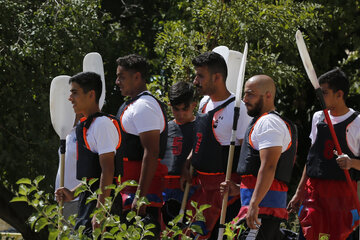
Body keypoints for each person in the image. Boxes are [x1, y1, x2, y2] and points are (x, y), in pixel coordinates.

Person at [181, 51, 252, 239]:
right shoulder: (204, 103)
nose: (196, 81)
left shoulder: (238, 109)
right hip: (201, 188)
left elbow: (249, 153)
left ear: (217, 77)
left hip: (225, 192)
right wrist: (189, 161)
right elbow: (200, 138)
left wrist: (241, 186)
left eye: (200, 76)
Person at [221, 75, 297, 240]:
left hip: (263, 211)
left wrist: (254, 204)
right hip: (260, 210)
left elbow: (269, 166)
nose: (244, 99)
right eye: (245, 94)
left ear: (268, 95)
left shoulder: (269, 122)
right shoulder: (262, 121)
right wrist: (240, 188)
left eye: (250, 94)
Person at [287, 68, 360, 240]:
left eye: (324, 93)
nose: (320, 98)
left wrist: (352, 163)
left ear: (339, 94)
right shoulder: (318, 117)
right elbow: (312, 158)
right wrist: (299, 191)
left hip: (341, 197)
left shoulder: (357, 122)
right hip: (314, 194)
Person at [55, 72, 123, 236]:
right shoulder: (86, 126)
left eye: (75, 92)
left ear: (91, 94)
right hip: (87, 203)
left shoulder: (102, 124)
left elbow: (108, 171)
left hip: (103, 205)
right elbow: (93, 177)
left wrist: (100, 212)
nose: (70, 98)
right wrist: (73, 193)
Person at [115, 54, 168, 238]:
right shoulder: (132, 104)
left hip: (142, 195)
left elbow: (152, 152)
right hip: (127, 190)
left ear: (137, 76)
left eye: (122, 77)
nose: (117, 82)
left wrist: (141, 195)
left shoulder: (145, 106)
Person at [161, 81, 197, 225]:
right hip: (165, 189)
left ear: (194, 104)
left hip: (190, 189)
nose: (181, 114)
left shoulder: (201, 127)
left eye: (185, 109)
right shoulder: (164, 128)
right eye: (176, 109)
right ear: (170, 106)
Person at [54, 114, 82, 219]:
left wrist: (74, 192)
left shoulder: (86, 131)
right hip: (62, 199)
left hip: (76, 199)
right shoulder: (67, 132)